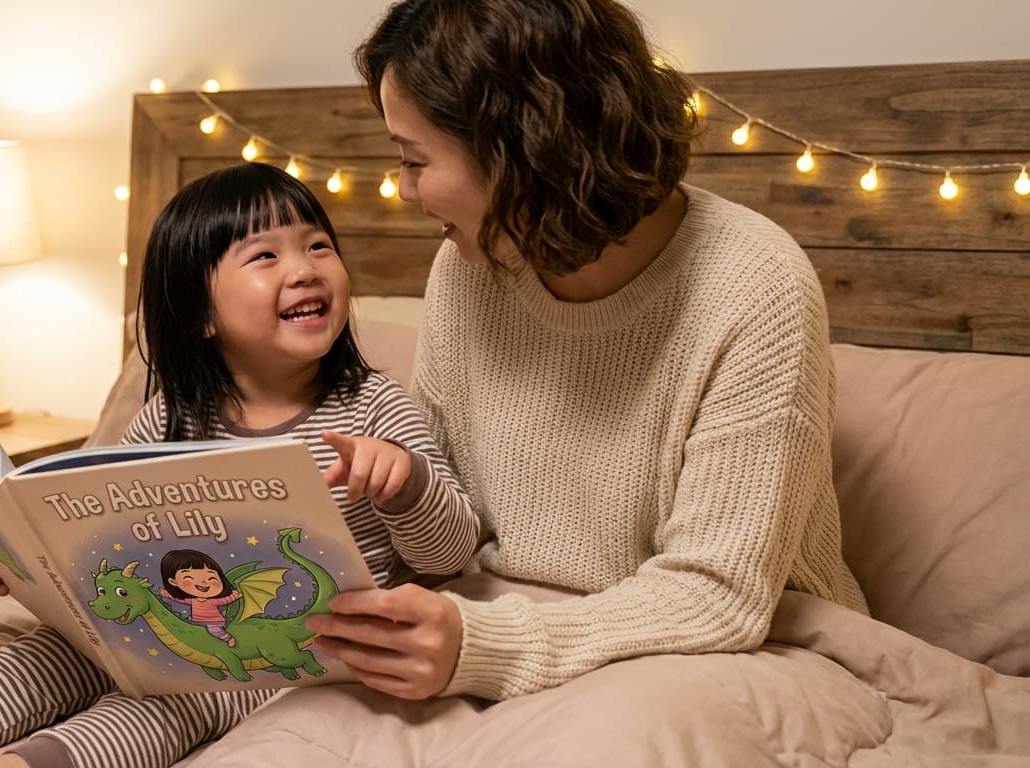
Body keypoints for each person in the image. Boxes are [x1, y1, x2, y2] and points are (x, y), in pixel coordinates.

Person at [207, 0, 871, 721]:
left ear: (522, 151)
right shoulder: (467, 265)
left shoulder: (755, 284)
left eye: (414, 160)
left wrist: (481, 644)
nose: (403, 190)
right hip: (492, 629)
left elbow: (718, 595)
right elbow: (440, 514)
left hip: (730, 649)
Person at [0, 162, 481, 768]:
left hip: (275, 648)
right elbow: (83, 550)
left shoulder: (376, 408)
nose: (304, 269)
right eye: (265, 257)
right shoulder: (166, 420)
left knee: (183, 695)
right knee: (56, 647)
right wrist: (7, 562)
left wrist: (405, 483)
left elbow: (451, 553)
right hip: (151, 620)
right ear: (201, 315)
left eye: (319, 246)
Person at [157, 549, 242, 646]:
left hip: (214, 621)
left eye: (211, 578)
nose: (203, 582)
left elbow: (225, 600)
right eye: (190, 577)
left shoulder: (212, 601)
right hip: (197, 620)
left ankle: (228, 638)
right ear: (173, 582)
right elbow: (179, 599)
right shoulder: (192, 600)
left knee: (213, 630)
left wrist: (235, 595)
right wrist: (166, 594)